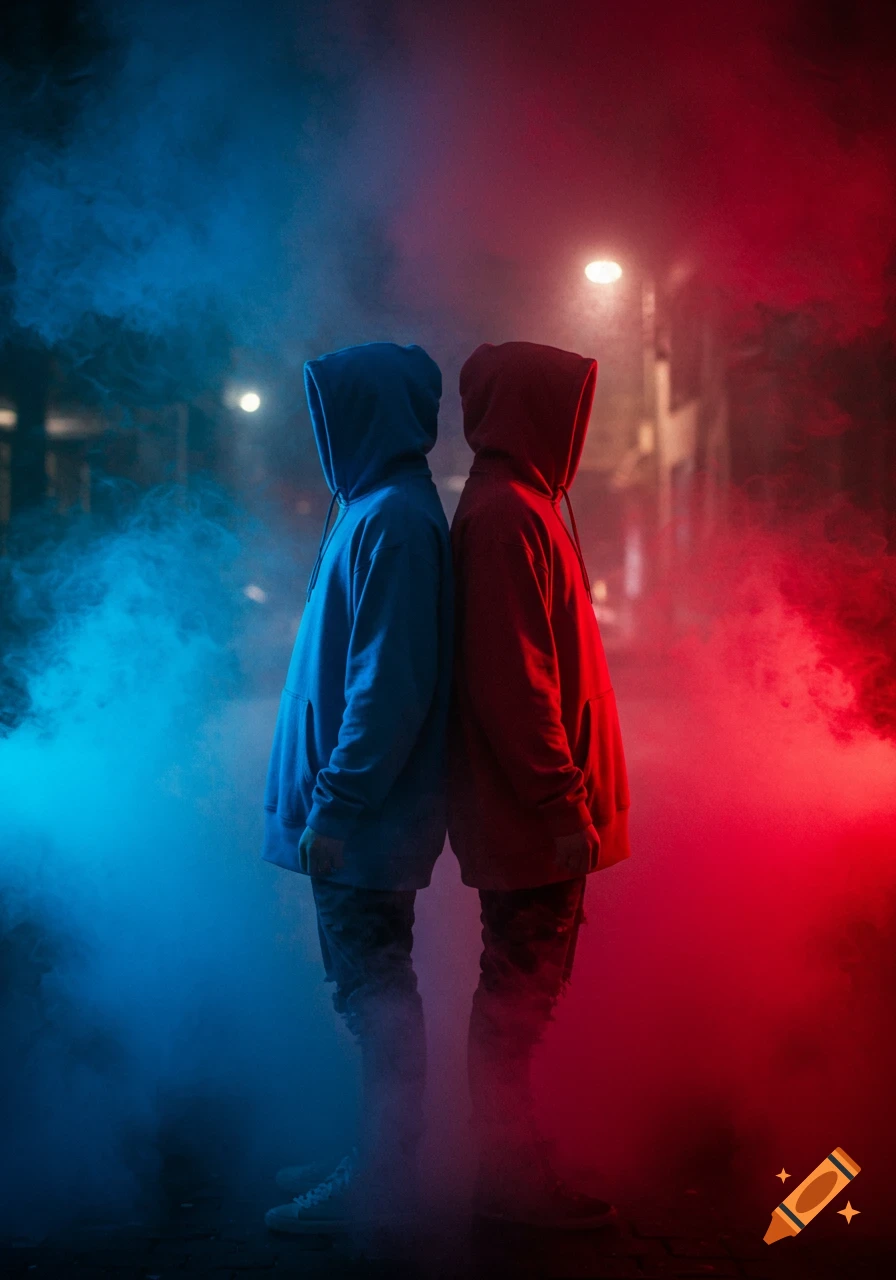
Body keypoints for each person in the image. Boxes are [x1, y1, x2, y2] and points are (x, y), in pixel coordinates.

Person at [262, 342, 453, 1233]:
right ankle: (375, 1157)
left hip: (365, 822)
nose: (321, 429)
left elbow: (389, 685)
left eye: (332, 410)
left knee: (375, 994)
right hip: (359, 817)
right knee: (369, 991)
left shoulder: (394, 520)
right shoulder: (378, 510)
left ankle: (385, 1183)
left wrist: (336, 804)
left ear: (363, 413)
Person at [448, 340, 631, 1228]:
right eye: (566, 407)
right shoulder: (508, 516)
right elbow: (514, 685)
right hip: (532, 819)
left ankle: (512, 1171)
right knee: (519, 997)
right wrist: (562, 802)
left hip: (532, 815)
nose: (576, 426)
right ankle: (510, 1186)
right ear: (536, 412)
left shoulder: (514, 507)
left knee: (521, 993)